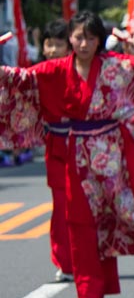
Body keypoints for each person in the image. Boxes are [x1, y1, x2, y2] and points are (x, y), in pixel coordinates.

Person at [0, 10, 134, 298]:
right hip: (77, 154)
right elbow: (23, 80)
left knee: (113, 217)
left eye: (90, 37)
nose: (84, 43)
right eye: (79, 37)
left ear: (99, 41)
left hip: (111, 153)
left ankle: (103, 281)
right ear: (70, 38)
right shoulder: (56, 70)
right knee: (79, 221)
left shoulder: (116, 67)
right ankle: (88, 290)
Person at [38, 19, 74, 281]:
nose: (52, 50)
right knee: (61, 206)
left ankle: (87, 254)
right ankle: (65, 261)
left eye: (58, 45)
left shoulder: (80, 71)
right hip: (56, 146)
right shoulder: (36, 73)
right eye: (48, 44)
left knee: (85, 206)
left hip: (83, 144)